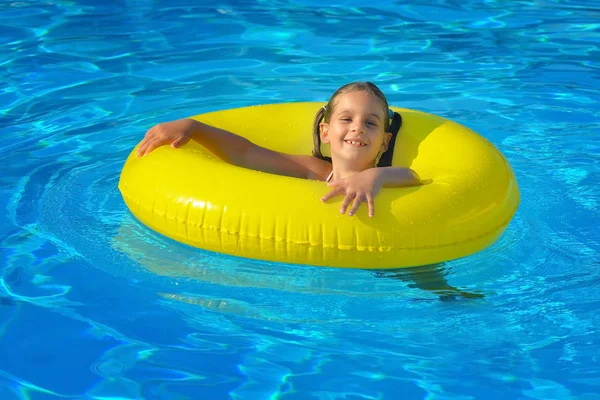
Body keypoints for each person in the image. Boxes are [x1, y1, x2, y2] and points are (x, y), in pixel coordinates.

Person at [136, 82, 421, 217]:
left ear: (384, 141)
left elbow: (412, 177)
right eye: (346, 119)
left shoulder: (383, 176)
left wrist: (375, 178)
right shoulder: (317, 172)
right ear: (325, 132)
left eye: (370, 123)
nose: (357, 128)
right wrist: (196, 128)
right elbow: (246, 153)